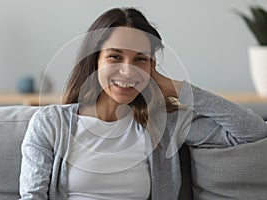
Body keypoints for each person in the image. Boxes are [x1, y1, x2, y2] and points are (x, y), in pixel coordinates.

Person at [19, 7, 267, 200]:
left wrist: (177, 88)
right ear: (95, 61)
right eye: (114, 56)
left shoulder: (164, 125)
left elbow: (251, 131)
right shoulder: (50, 123)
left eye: (140, 60)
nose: (127, 71)